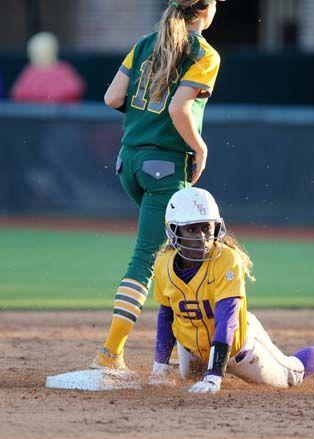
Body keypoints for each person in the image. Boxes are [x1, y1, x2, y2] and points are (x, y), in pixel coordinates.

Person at [92, 0, 226, 370]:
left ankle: (177, 351)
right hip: (165, 168)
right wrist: (199, 147)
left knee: (172, 252)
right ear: (203, 11)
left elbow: (112, 97)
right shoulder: (204, 54)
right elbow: (177, 109)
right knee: (147, 260)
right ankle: (110, 353)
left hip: (129, 164)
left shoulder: (145, 44)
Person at [148, 187, 314, 393]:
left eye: (206, 227)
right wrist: (160, 364)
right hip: (192, 349)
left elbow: (227, 319)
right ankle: (207, 366)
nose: (202, 238)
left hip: (238, 347)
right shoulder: (163, 263)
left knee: (292, 375)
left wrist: (214, 374)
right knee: (189, 383)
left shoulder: (226, 259)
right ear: (174, 230)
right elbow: (167, 314)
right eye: (191, 229)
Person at [11, 32, 85, 103]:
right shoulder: (30, 71)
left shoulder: (63, 69)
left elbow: (75, 89)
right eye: (37, 52)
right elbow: (18, 93)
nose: (41, 54)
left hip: (61, 113)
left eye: (45, 51)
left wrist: (51, 98)